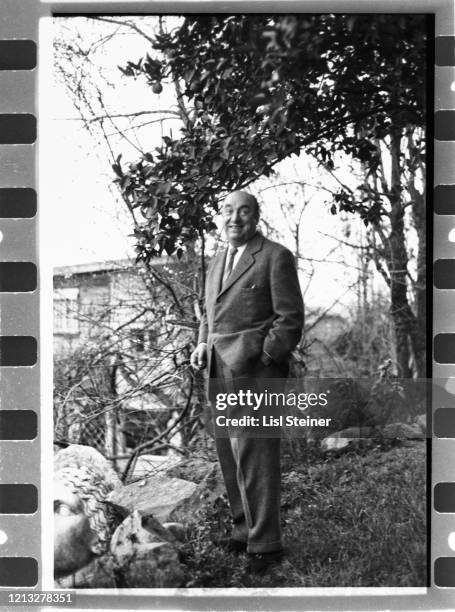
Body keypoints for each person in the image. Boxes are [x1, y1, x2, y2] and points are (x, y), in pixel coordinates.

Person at [190, 190, 304, 574]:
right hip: (219, 372)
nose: (234, 219)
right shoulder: (218, 260)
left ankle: (266, 545)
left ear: (256, 217)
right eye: (227, 211)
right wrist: (203, 343)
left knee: (256, 457)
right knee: (229, 454)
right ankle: (244, 532)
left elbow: (289, 319)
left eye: (243, 212)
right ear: (219, 217)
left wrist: (266, 358)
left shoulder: (275, 256)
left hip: (257, 375)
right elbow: (210, 313)